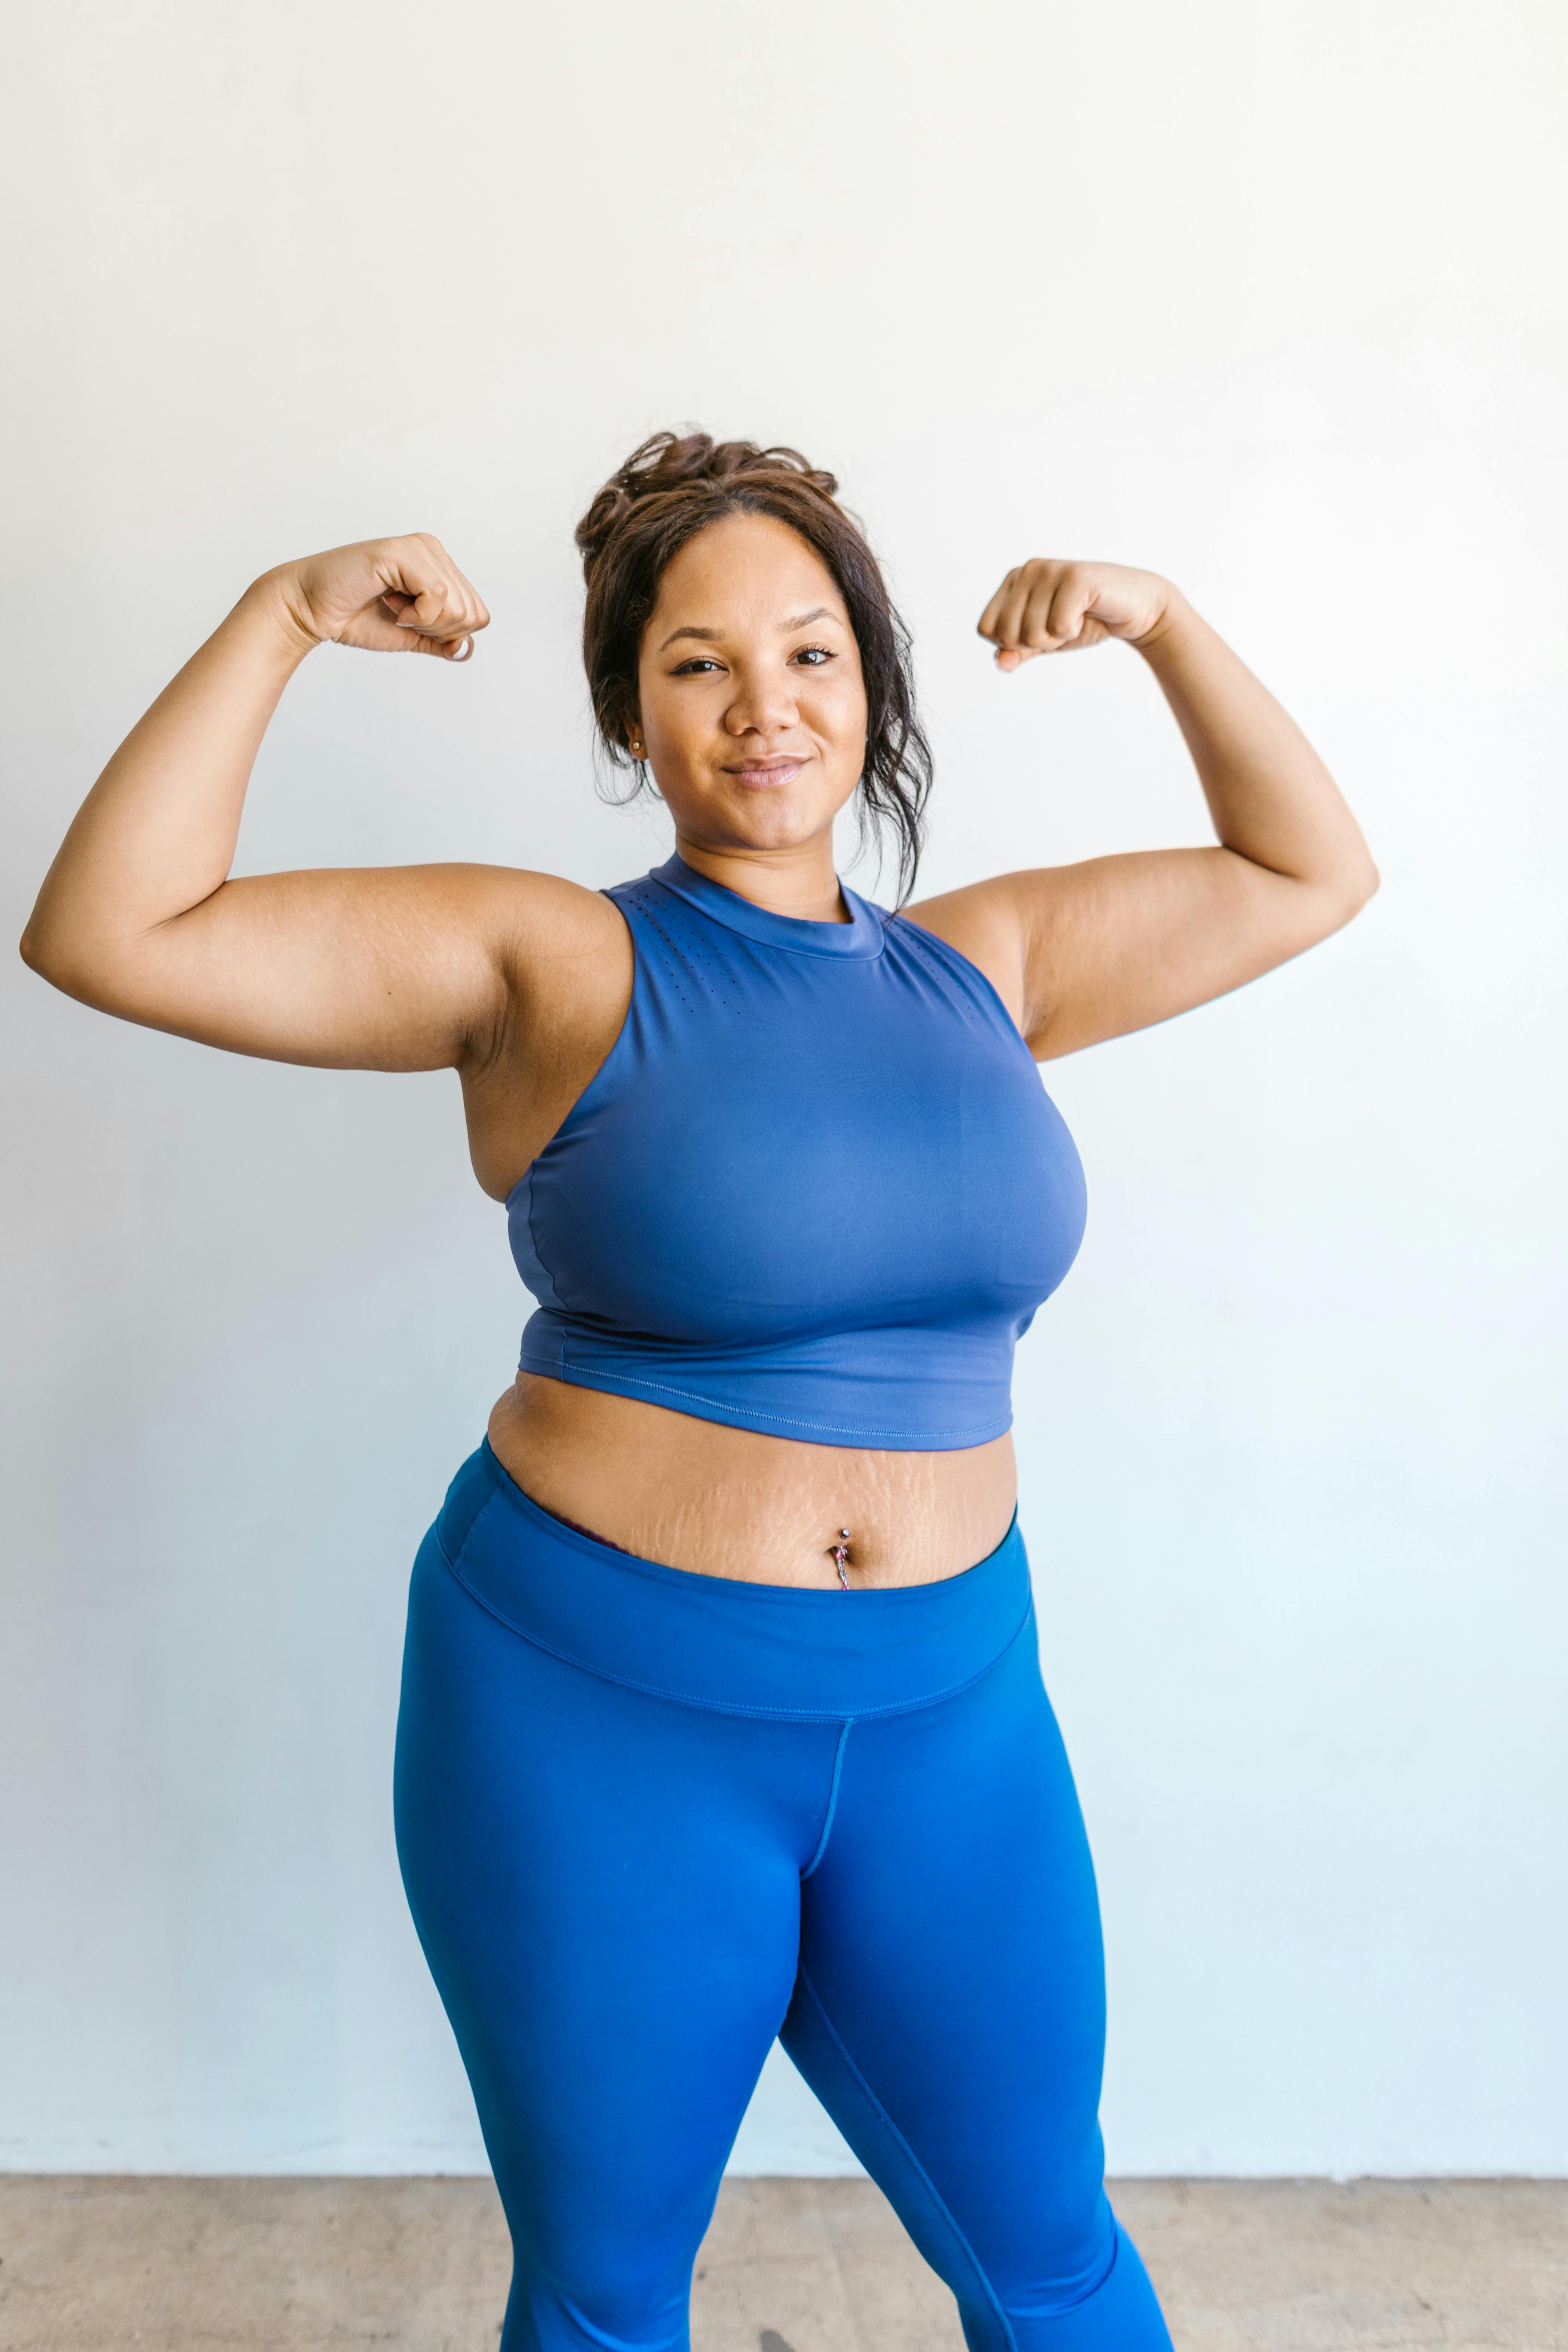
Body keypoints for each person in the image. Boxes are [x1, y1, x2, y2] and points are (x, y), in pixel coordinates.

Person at [21, 431, 1377, 2352]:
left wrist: (1160, 624)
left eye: (813, 653)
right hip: (596, 1717)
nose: (764, 707)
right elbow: (110, 934)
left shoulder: (983, 967)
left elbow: (1305, 868)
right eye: (696, 663)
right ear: (629, 713)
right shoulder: (555, 959)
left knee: (1052, 2261)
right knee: (605, 2294)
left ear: (873, 685)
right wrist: (282, 617)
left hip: (949, 1714)